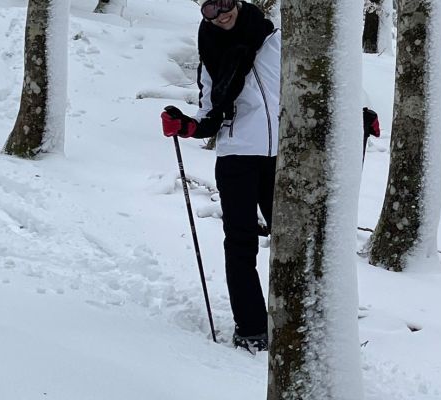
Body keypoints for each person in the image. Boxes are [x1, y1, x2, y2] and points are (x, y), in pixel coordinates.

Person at [159, 0, 379, 352]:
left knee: (294, 237)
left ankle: (302, 314)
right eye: (210, 10)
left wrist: (357, 115)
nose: (221, 14)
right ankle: (251, 326)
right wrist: (184, 126)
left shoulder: (276, 42)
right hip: (236, 159)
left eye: (225, 4)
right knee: (241, 243)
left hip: (284, 155)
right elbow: (208, 116)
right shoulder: (211, 58)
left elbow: (317, 91)